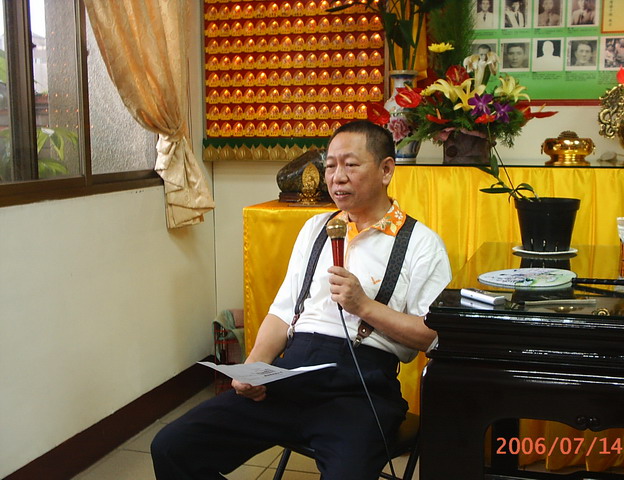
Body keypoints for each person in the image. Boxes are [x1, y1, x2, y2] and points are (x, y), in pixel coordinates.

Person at [150, 120, 452, 480]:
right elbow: (282, 313)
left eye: (351, 165)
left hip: (361, 390)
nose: (337, 177)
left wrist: (364, 306)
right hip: (290, 375)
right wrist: (252, 368)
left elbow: (432, 336)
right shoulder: (315, 229)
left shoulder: (421, 243)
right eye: (331, 166)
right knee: (171, 446)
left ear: (386, 170)